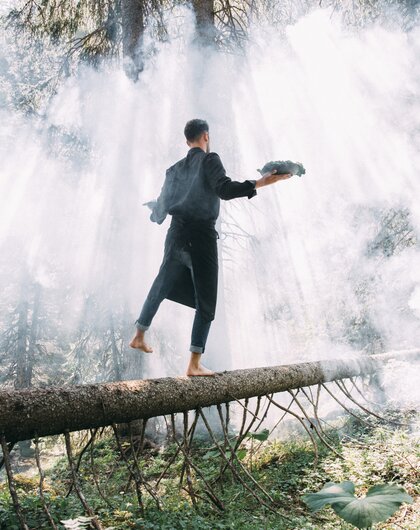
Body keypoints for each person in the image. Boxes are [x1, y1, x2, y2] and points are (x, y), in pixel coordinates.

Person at [130, 119, 292, 376]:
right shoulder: (209, 160)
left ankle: (139, 335)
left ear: (187, 141)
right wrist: (259, 183)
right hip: (201, 238)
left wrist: (154, 208)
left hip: (176, 235)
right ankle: (194, 364)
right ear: (206, 136)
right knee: (206, 301)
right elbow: (224, 190)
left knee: (161, 284)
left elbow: (160, 211)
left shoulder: (173, 170)